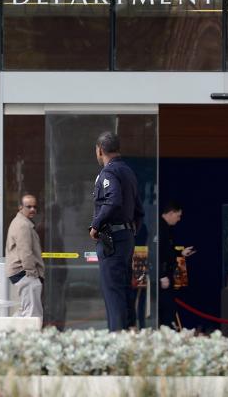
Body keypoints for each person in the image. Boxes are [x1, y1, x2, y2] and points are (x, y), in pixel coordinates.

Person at [89, 131, 144, 331]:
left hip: (112, 239)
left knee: (113, 292)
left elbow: (113, 200)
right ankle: (129, 332)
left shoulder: (109, 172)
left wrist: (96, 225)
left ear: (100, 150)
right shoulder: (128, 172)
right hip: (126, 238)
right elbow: (139, 211)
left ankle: (117, 340)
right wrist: (129, 232)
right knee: (123, 289)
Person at [158, 201, 196, 328]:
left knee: (169, 309)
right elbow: (157, 253)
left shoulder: (167, 229)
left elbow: (168, 250)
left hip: (167, 274)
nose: (179, 219)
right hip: (162, 275)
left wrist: (181, 252)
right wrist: (161, 275)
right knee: (167, 310)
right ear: (170, 213)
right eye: (178, 216)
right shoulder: (159, 228)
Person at [5, 193, 44, 318]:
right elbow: (25, 252)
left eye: (34, 206)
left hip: (22, 273)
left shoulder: (23, 222)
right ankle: (29, 337)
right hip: (25, 273)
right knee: (32, 314)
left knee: (24, 311)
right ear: (20, 207)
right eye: (28, 206)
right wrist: (33, 274)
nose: (32, 209)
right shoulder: (23, 225)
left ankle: (10, 334)